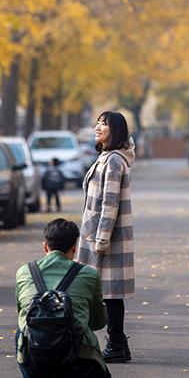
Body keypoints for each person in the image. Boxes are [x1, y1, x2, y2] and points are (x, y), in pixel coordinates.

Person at [15, 219, 112, 378]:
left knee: (21, 334)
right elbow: (97, 323)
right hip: (74, 360)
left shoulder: (24, 272)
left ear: (45, 246)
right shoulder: (89, 274)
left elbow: (22, 316)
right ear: (74, 248)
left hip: (35, 359)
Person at [77, 111, 135, 363]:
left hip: (104, 236)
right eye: (98, 122)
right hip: (98, 233)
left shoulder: (112, 161)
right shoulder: (107, 158)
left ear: (117, 130)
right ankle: (116, 343)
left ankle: (117, 343)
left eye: (104, 124)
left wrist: (101, 239)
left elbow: (109, 204)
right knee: (109, 292)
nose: (98, 127)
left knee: (110, 293)